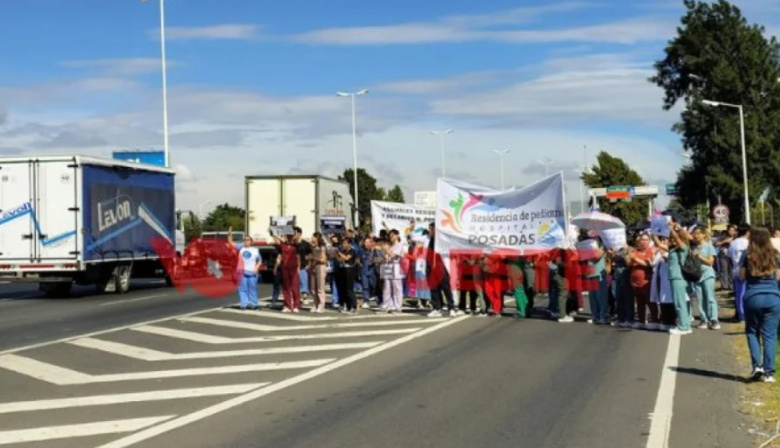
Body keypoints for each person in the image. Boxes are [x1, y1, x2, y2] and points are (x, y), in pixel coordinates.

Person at [738, 227, 780, 382]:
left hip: (753, 296)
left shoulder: (747, 255)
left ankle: (757, 366)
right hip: (773, 297)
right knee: (770, 334)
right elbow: (778, 276)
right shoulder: (775, 255)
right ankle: (769, 372)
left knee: (752, 331)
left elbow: (741, 276)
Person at [664, 223, 693, 335]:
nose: (672, 240)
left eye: (674, 238)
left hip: (679, 278)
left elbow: (677, 239)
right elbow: (658, 243)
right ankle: (684, 325)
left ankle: (684, 327)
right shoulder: (673, 250)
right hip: (674, 277)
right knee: (678, 302)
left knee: (680, 303)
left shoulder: (684, 248)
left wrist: (672, 229)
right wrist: (655, 234)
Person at [691, 227, 720, 330]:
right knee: (700, 299)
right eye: (694, 234)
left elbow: (710, 262)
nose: (696, 236)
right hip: (697, 275)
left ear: (704, 235)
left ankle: (714, 319)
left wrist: (699, 257)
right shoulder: (694, 248)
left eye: (698, 234)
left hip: (707, 274)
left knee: (710, 297)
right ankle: (704, 319)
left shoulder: (709, 246)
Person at [427, 223, 458, 317]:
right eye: (430, 229)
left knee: (446, 288)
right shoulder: (430, 239)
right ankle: (437, 308)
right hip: (431, 266)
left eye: (432, 229)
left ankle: (451, 308)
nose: (430, 230)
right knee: (433, 288)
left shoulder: (441, 239)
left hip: (441, 266)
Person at [229, 229, 262, 310]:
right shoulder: (240, 248)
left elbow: (260, 260)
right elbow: (230, 243)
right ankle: (244, 304)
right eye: (244, 240)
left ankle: (254, 304)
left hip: (252, 272)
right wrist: (229, 234)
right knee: (242, 289)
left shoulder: (255, 250)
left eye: (248, 240)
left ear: (251, 242)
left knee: (252, 289)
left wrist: (257, 267)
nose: (246, 241)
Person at [629, 233, 657, 330]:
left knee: (650, 302)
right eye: (642, 240)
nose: (643, 242)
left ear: (649, 241)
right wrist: (627, 256)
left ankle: (654, 321)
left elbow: (648, 264)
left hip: (646, 281)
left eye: (646, 240)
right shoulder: (635, 251)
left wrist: (635, 258)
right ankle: (641, 321)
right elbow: (629, 264)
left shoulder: (650, 251)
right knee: (639, 302)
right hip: (635, 281)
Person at [274, 232, 301, 313]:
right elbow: (279, 256)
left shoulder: (295, 246)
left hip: (294, 268)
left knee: (295, 288)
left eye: (290, 237)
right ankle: (287, 306)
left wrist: (299, 268)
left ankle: (296, 305)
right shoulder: (282, 246)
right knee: (286, 288)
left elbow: (298, 257)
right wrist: (275, 233)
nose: (288, 238)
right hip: (285, 268)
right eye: (287, 237)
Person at [729, 224, 750, 322]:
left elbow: (729, 256)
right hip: (745, 270)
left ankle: (741, 315)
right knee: (745, 293)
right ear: (747, 232)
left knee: (738, 294)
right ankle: (745, 315)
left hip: (735, 270)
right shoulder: (748, 243)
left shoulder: (733, 243)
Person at [381, 230, 406, 313]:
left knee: (397, 287)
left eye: (392, 235)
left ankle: (398, 306)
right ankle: (387, 304)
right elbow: (387, 257)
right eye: (389, 236)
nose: (390, 237)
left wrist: (386, 249)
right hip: (388, 266)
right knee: (387, 287)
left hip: (397, 267)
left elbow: (394, 256)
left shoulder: (401, 245)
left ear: (397, 235)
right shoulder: (391, 246)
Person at [334, 237, 358, 313]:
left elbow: (347, 258)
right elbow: (340, 260)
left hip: (350, 270)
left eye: (345, 243)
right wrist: (336, 253)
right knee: (343, 289)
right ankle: (347, 306)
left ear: (349, 244)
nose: (343, 245)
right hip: (343, 270)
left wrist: (339, 252)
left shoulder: (352, 251)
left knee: (349, 289)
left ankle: (353, 306)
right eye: (343, 243)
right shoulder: (343, 251)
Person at [308, 233, 328, 313]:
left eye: (314, 237)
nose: (312, 238)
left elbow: (323, 260)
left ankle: (321, 305)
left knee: (320, 287)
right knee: (313, 288)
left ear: (317, 238)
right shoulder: (312, 247)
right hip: (313, 267)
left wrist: (315, 258)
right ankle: (315, 303)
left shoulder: (321, 247)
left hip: (320, 267)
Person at [294, 227, 312, 301]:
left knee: (303, 279)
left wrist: (309, 263)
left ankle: (304, 293)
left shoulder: (305, 243)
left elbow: (310, 253)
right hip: (293, 265)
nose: (294, 234)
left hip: (303, 265)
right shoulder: (292, 243)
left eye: (295, 232)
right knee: (295, 282)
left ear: (300, 233)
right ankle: (296, 296)